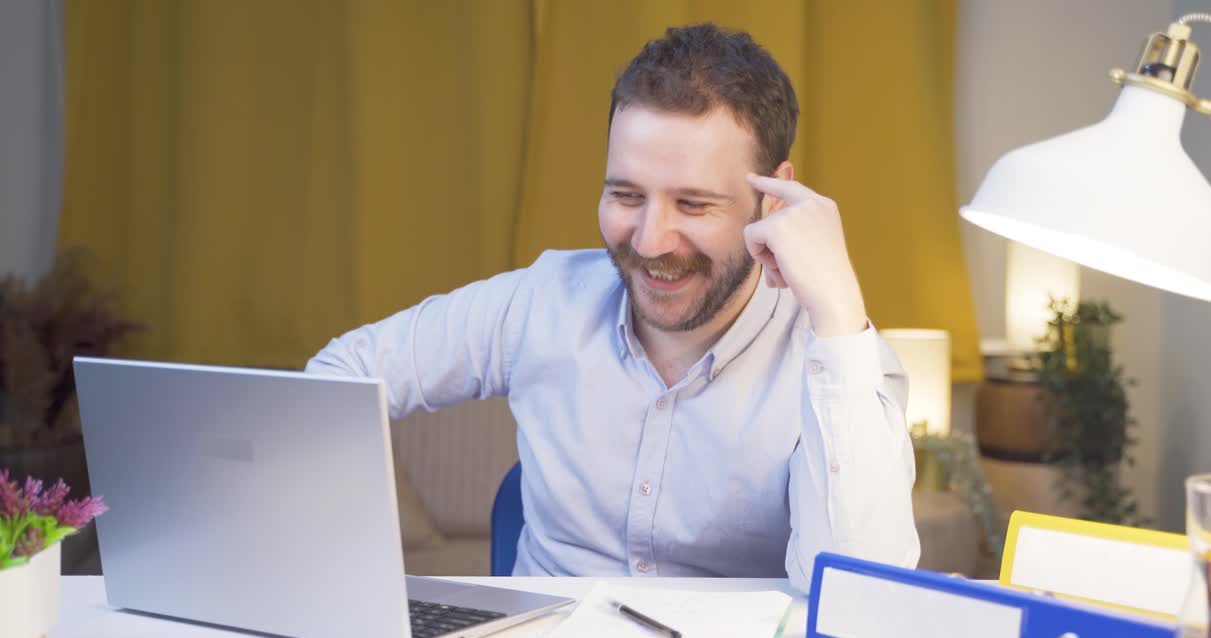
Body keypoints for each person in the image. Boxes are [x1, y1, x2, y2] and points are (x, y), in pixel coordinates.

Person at [307, 23, 919, 591]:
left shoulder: (839, 362)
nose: (650, 242)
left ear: (773, 202)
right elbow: (338, 377)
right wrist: (350, 576)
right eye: (626, 195)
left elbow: (858, 598)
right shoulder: (539, 302)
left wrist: (839, 318)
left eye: (694, 204)